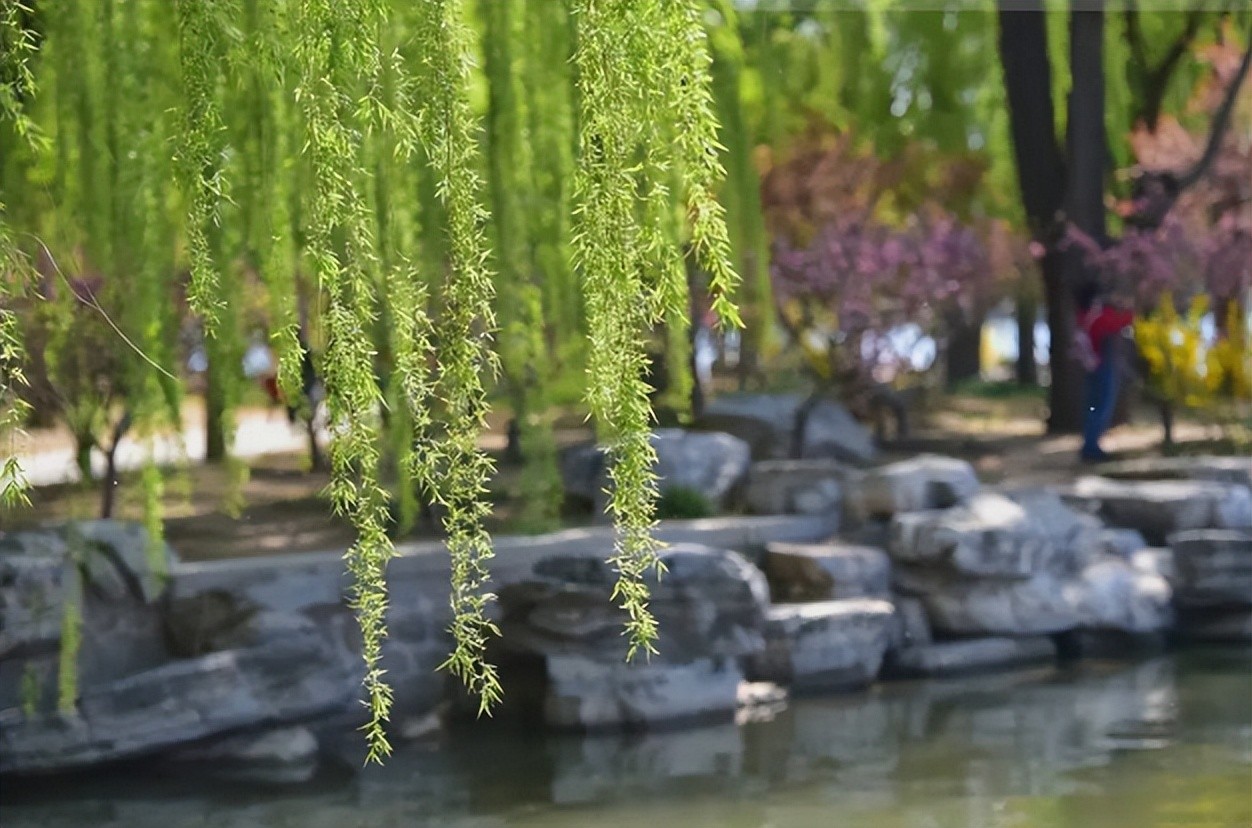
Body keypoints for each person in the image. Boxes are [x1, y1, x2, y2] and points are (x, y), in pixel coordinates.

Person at [1074, 284, 1134, 462]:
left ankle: (1090, 444)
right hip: (1102, 366)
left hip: (1091, 367)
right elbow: (1121, 322)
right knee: (1102, 406)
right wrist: (1127, 308)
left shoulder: (1083, 318)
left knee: (1093, 407)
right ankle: (1091, 447)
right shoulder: (1099, 318)